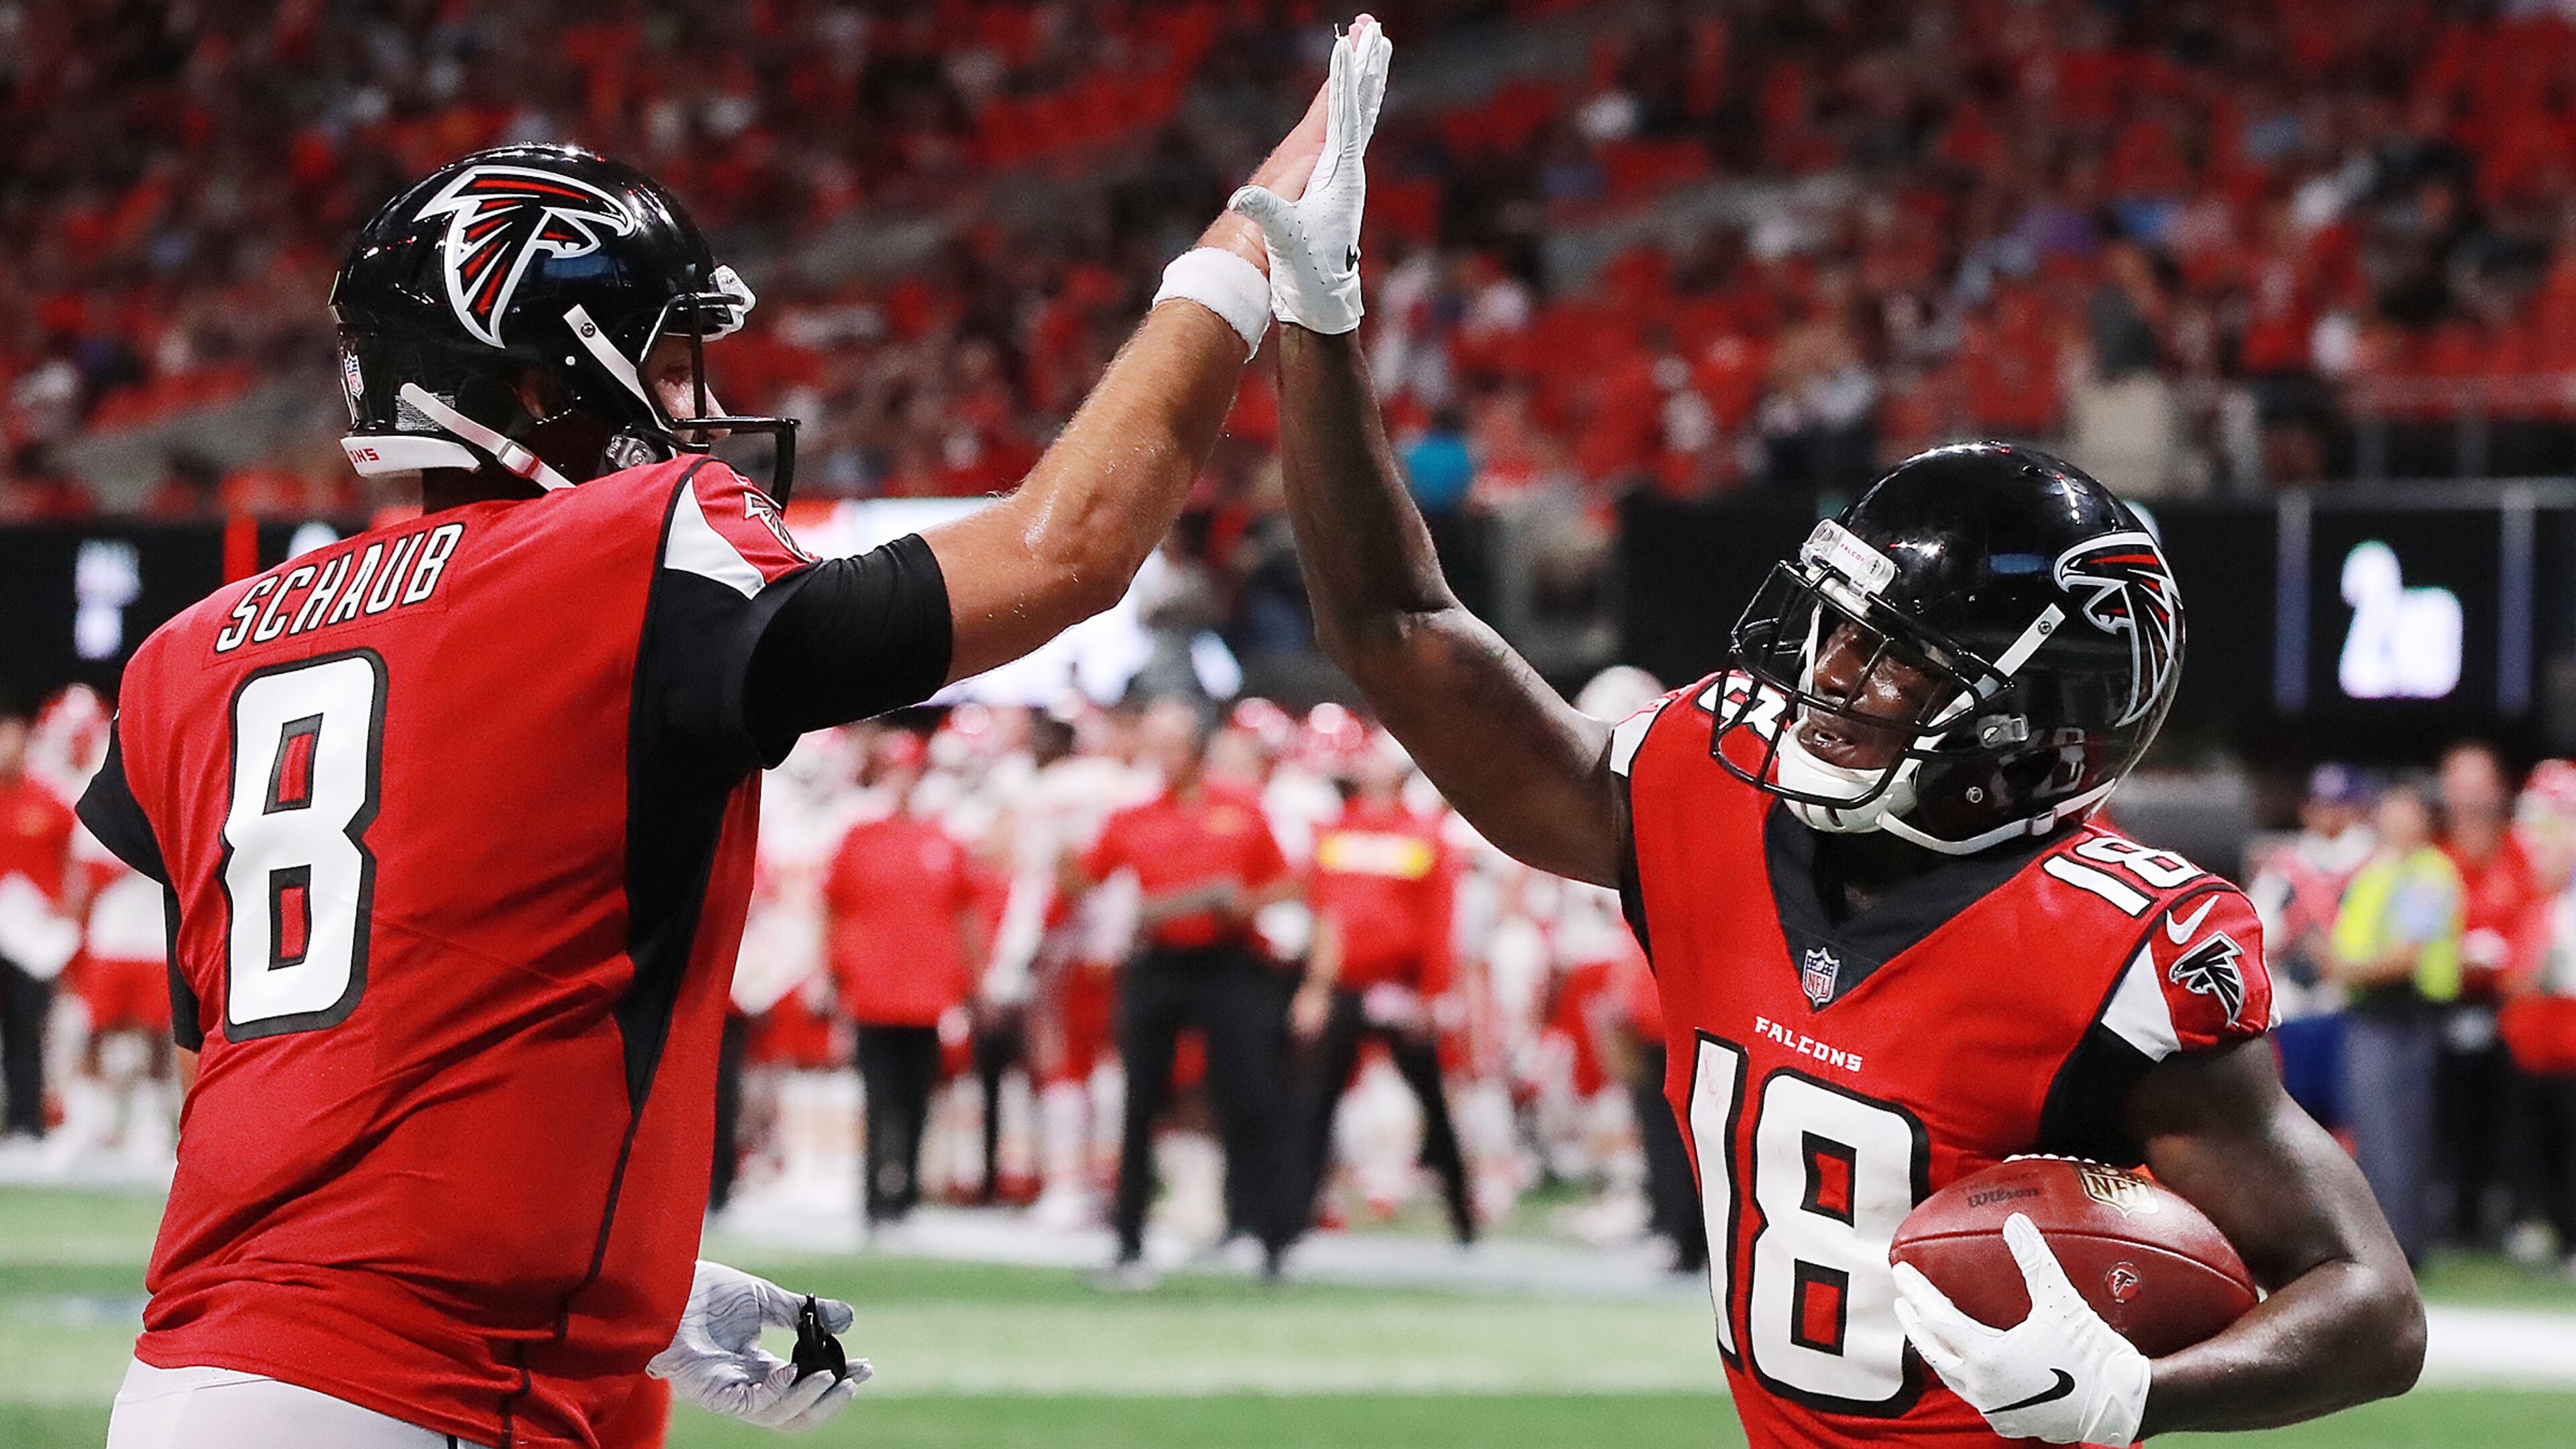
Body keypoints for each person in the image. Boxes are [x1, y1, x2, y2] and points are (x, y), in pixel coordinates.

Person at [74, 31, 1356, 1444]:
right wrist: (1237, 255)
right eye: (667, 367)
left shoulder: (194, 655)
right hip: (422, 1392)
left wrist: (620, 1278)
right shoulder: (614, 558)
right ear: (543, 381)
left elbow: (250, 1093)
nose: (695, 410)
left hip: (204, 1373)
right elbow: (1069, 549)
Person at [1239, 77, 2424, 1440]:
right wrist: (1320, 329)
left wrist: (2140, 1391)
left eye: (1896, 656)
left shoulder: (2117, 951)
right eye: (1836, 632)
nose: (1828, 679)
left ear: (2037, 726)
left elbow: (2371, 1306)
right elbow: (1395, 630)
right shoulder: (1704, 793)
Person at [1063, 700, 1305, 1285]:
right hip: (1158, 962)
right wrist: (1061, 842)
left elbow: (1290, 882)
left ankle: (1262, 1235)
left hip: (1229, 962)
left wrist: (1238, 903)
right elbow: (1082, 882)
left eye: (1169, 745)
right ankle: (1127, 1241)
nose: (1159, 758)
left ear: (1196, 750)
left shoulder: (1242, 809)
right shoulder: (1131, 815)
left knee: (1247, 1094)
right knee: (1140, 1099)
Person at [1292, 730, 1474, 1246]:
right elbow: (1324, 914)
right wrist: (1316, 988)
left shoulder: (1426, 834)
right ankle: (1299, 1212)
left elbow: (1441, 920)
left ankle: (1462, 1214)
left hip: (1401, 987)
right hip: (1347, 985)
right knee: (1317, 1102)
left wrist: (1431, 994)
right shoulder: (1335, 830)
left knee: (1432, 1103)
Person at [823, 729, 981, 1230]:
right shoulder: (857, 837)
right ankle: (872, 1197)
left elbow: (966, 914)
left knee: (917, 1097)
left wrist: (972, 980)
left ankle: (907, 1195)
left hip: (927, 993)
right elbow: (831, 909)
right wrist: (829, 972)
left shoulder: (944, 841)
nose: (902, 782)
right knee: (876, 1096)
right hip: (871, 990)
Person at [2326, 778, 2463, 1265]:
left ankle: (2401, 1246)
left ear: (2424, 819)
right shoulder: (2380, 869)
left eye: (2403, 810)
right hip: (2367, 1011)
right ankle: (2384, 1241)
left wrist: (2342, 967)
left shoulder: (2428, 872)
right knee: (2374, 1131)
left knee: (2396, 1135)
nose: (2392, 818)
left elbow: (2407, 955)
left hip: (2402, 1015)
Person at [2435, 741, 2540, 1248]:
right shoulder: (2434, 854)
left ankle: (2513, 1219)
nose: (2470, 797)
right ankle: (2451, 1218)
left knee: (2512, 1115)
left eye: (2479, 783)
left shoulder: (2521, 852)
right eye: (2460, 783)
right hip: (2441, 1003)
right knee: (2445, 1116)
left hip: (2511, 1005)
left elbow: (2538, 915)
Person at [2247, 763, 2379, 1128]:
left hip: (2348, 1008)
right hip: (2292, 1007)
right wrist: (2290, 931)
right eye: (2322, 804)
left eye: (2339, 804)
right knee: (2292, 1123)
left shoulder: (2374, 861)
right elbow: (2257, 931)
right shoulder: (2286, 863)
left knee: (2350, 1122)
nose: (2329, 814)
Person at [0, 693, 81, 1148]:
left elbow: (73, 869)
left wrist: (64, 908)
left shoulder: (48, 799)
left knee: (26, 1030)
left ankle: (26, 1127)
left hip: (30, 941)